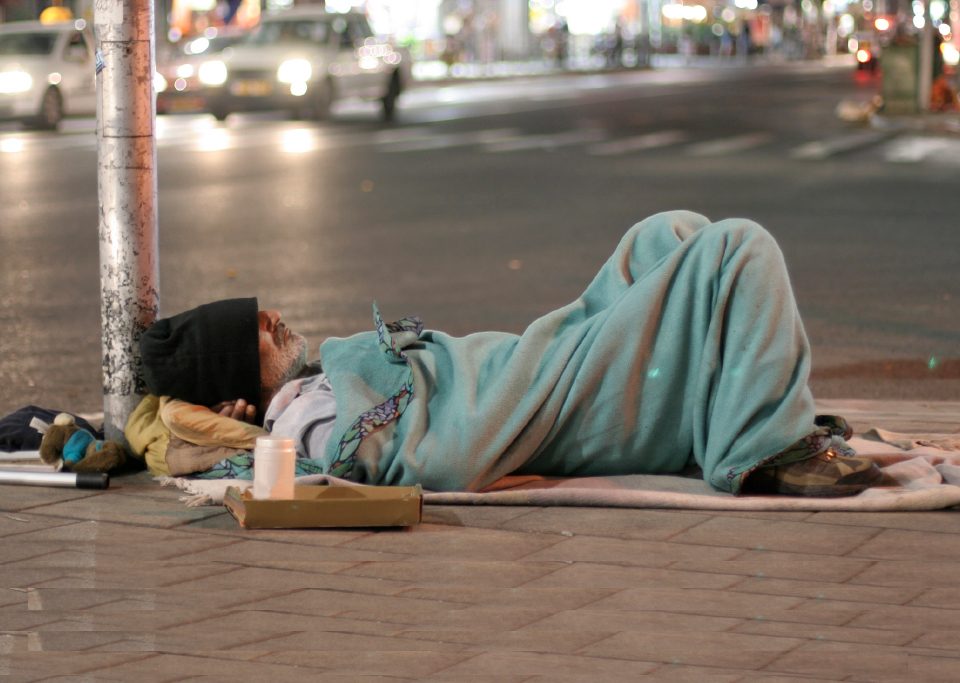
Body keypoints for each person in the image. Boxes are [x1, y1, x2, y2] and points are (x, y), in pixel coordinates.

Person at [139, 211, 883, 497]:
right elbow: (417, 455)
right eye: (259, 332)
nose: (275, 319)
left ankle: (723, 408)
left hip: (539, 358)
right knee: (738, 248)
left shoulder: (314, 384)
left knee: (668, 232)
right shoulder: (303, 417)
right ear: (239, 385)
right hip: (548, 398)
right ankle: (767, 449)